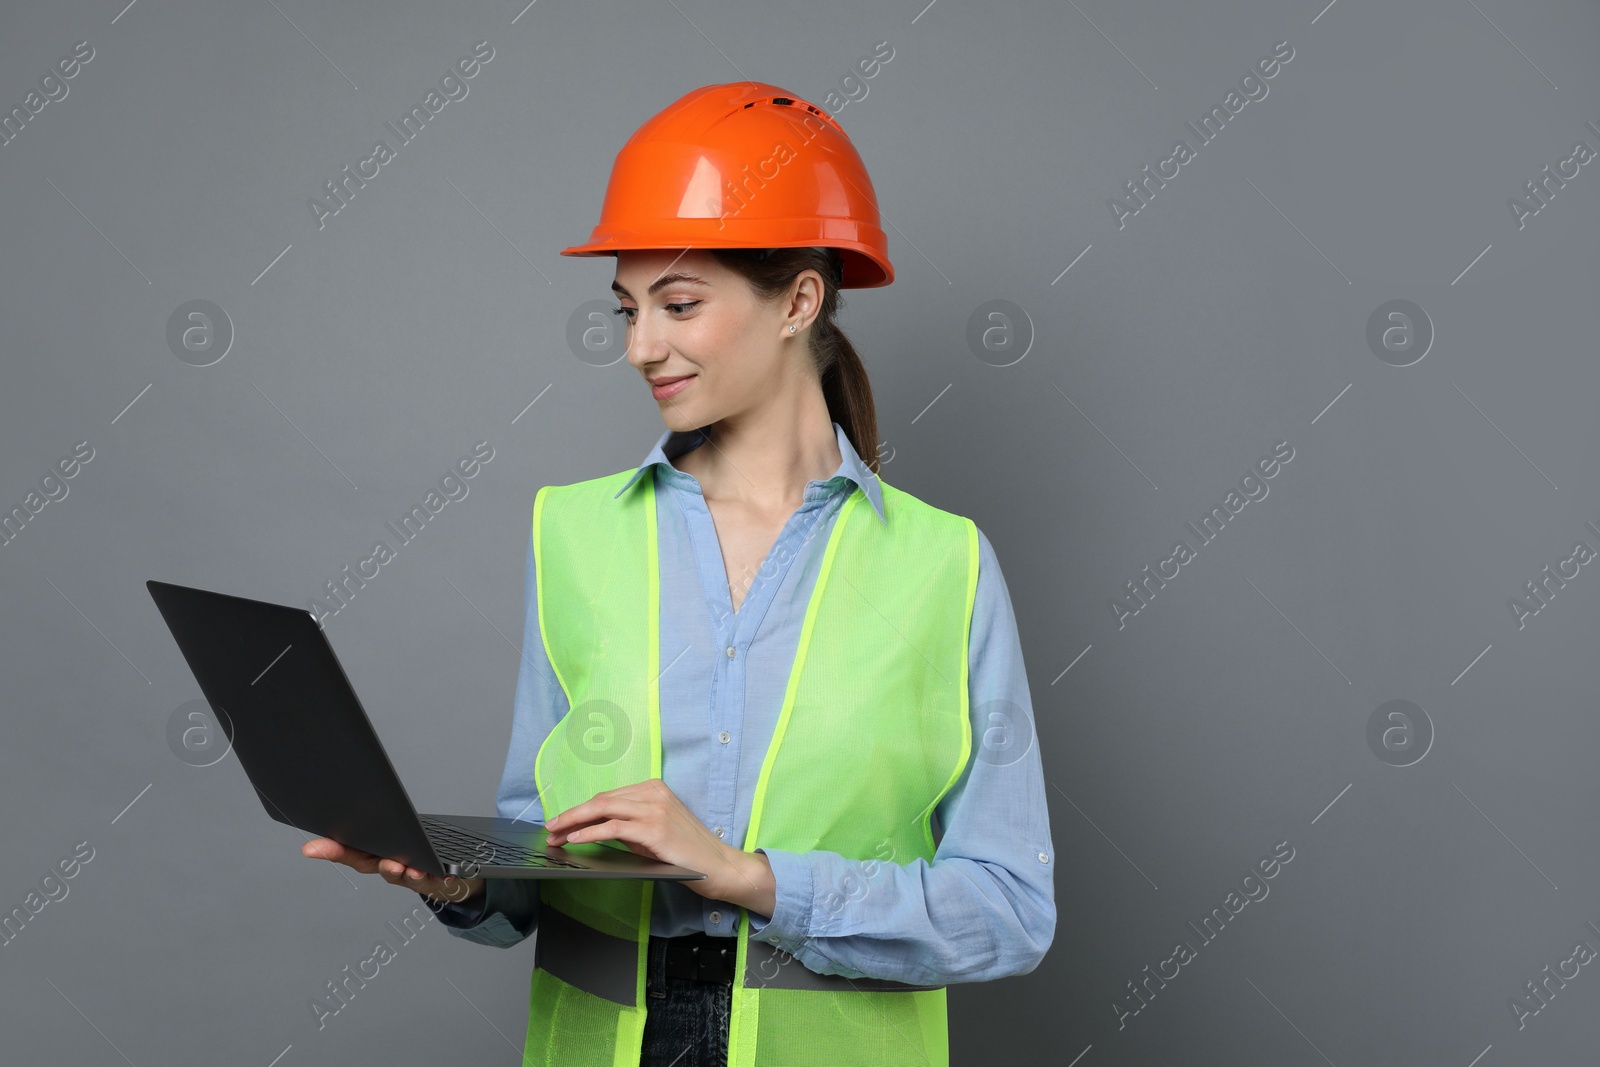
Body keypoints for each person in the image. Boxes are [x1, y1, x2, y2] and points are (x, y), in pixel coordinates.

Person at [302, 81, 1055, 1067]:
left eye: (678, 304)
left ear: (798, 299)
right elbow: (538, 845)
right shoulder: (573, 532)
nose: (637, 346)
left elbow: (1008, 907)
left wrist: (750, 875)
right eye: (625, 307)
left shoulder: (943, 564)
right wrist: (467, 885)